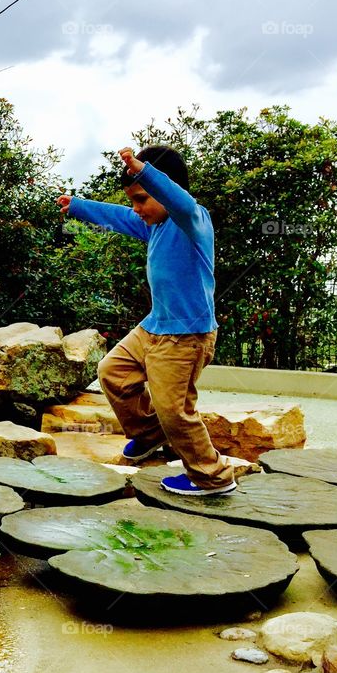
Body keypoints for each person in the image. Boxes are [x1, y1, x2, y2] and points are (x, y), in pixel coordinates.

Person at [56, 145, 235, 496]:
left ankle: (212, 477)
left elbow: (178, 200)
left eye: (141, 199)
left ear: (166, 188)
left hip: (186, 336)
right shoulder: (153, 226)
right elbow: (120, 218)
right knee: (113, 373)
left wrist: (145, 172)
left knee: (175, 409)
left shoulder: (193, 220)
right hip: (154, 326)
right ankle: (150, 433)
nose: (136, 210)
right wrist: (78, 206)